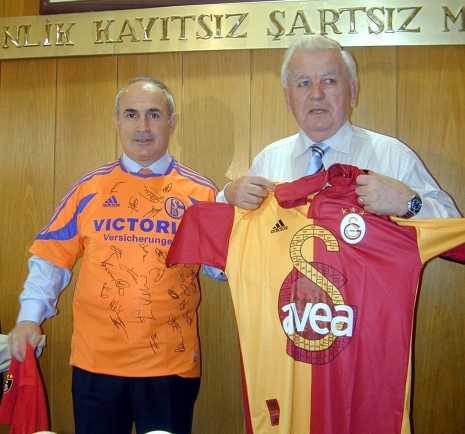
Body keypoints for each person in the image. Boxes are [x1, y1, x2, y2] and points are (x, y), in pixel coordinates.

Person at [7, 77, 217, 434]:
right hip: (96, 364)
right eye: (131, 114)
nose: (142, 126)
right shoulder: (88, 188)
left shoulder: (201, 193)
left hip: (170, 365)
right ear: (116, 121)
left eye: (154, 115)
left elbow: (222, 267)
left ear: (172, 122)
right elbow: (51, 258)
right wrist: (29, 318)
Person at [217, 35, 461, 218]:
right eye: (303, 83)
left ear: (352, 92)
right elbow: (221, 240)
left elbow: (453, 228)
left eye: (329, 80)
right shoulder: (268, 161)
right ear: (288, 100)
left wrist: (408, 203)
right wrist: (227, 197)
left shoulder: (393, 156)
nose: (317, 94)